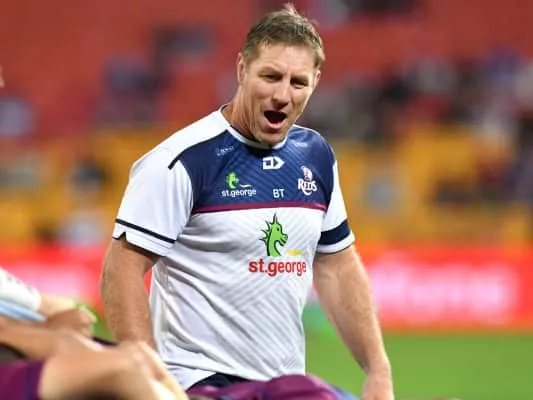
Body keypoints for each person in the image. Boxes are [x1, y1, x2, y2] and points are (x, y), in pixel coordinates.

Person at [100, 3, 393, 399]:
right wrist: (149, 383)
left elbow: (337, 266)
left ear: (316, 82)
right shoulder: (182, 161)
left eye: (298, 82)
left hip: (284, 384)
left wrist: (378, 369)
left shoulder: (316, 156)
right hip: (199, 383)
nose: (282, 95)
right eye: (270, 77)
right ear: (242, 69)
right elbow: (121, 269)